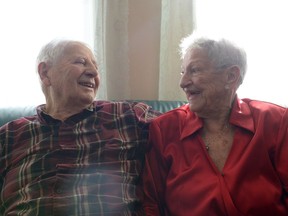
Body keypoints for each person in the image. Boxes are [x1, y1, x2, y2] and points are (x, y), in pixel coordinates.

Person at [0, 39, 160, 215]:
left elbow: (185, 126)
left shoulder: (127, 115)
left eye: (96, 67)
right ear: (45, 73)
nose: (93, 72)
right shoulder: (10, 135)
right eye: (80, 62)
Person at [142, 33, 288, 215]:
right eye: (183, 71)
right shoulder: (164, 129)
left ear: (231, 76)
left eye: (194, 70)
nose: (183, 82)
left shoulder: (275, 121)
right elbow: (150, 205)